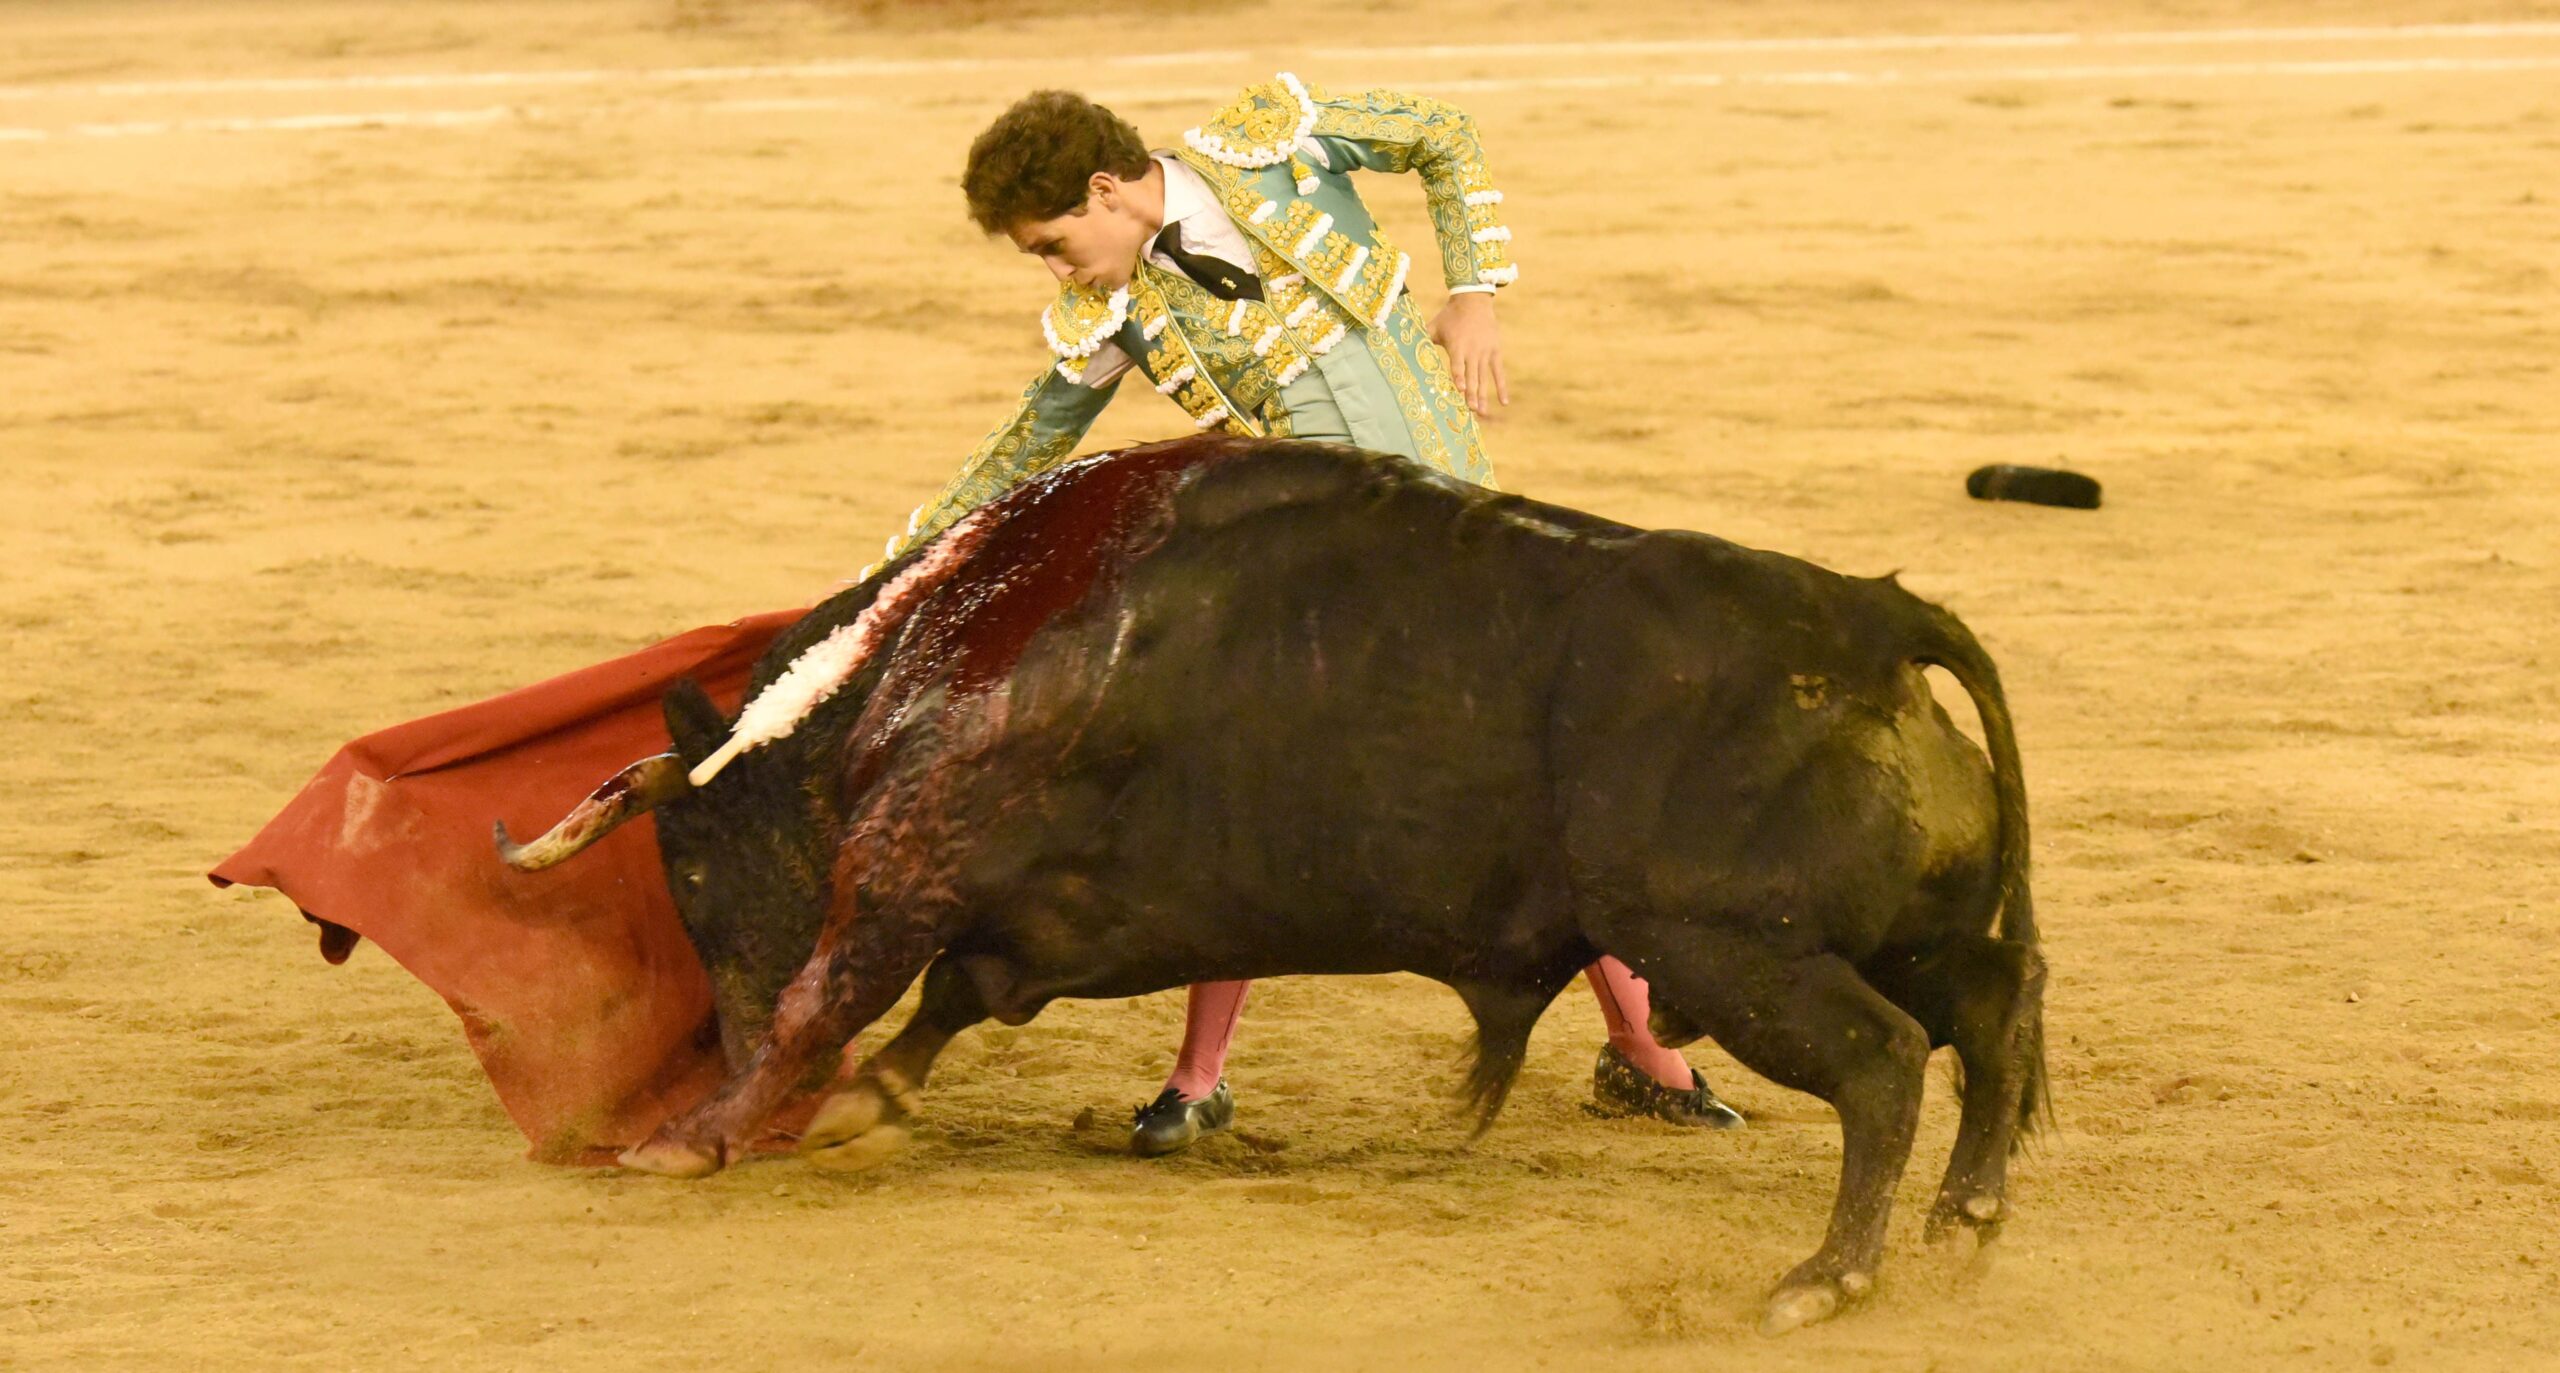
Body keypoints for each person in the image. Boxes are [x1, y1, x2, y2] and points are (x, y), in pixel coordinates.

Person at [870, 75, 1744, 1157]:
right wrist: (904, 566)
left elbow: (1442, 132)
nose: (1055, 269)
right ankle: (1198, 1077)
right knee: (1253, 790)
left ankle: (1646, 1055)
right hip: (1320, 583)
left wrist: (1475, 291)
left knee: (1544, 781)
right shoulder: (1113, 314)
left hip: (1469, 535)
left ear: (1106, 189)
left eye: (1053, 242)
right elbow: (1024, 445)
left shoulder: (1267, 146)